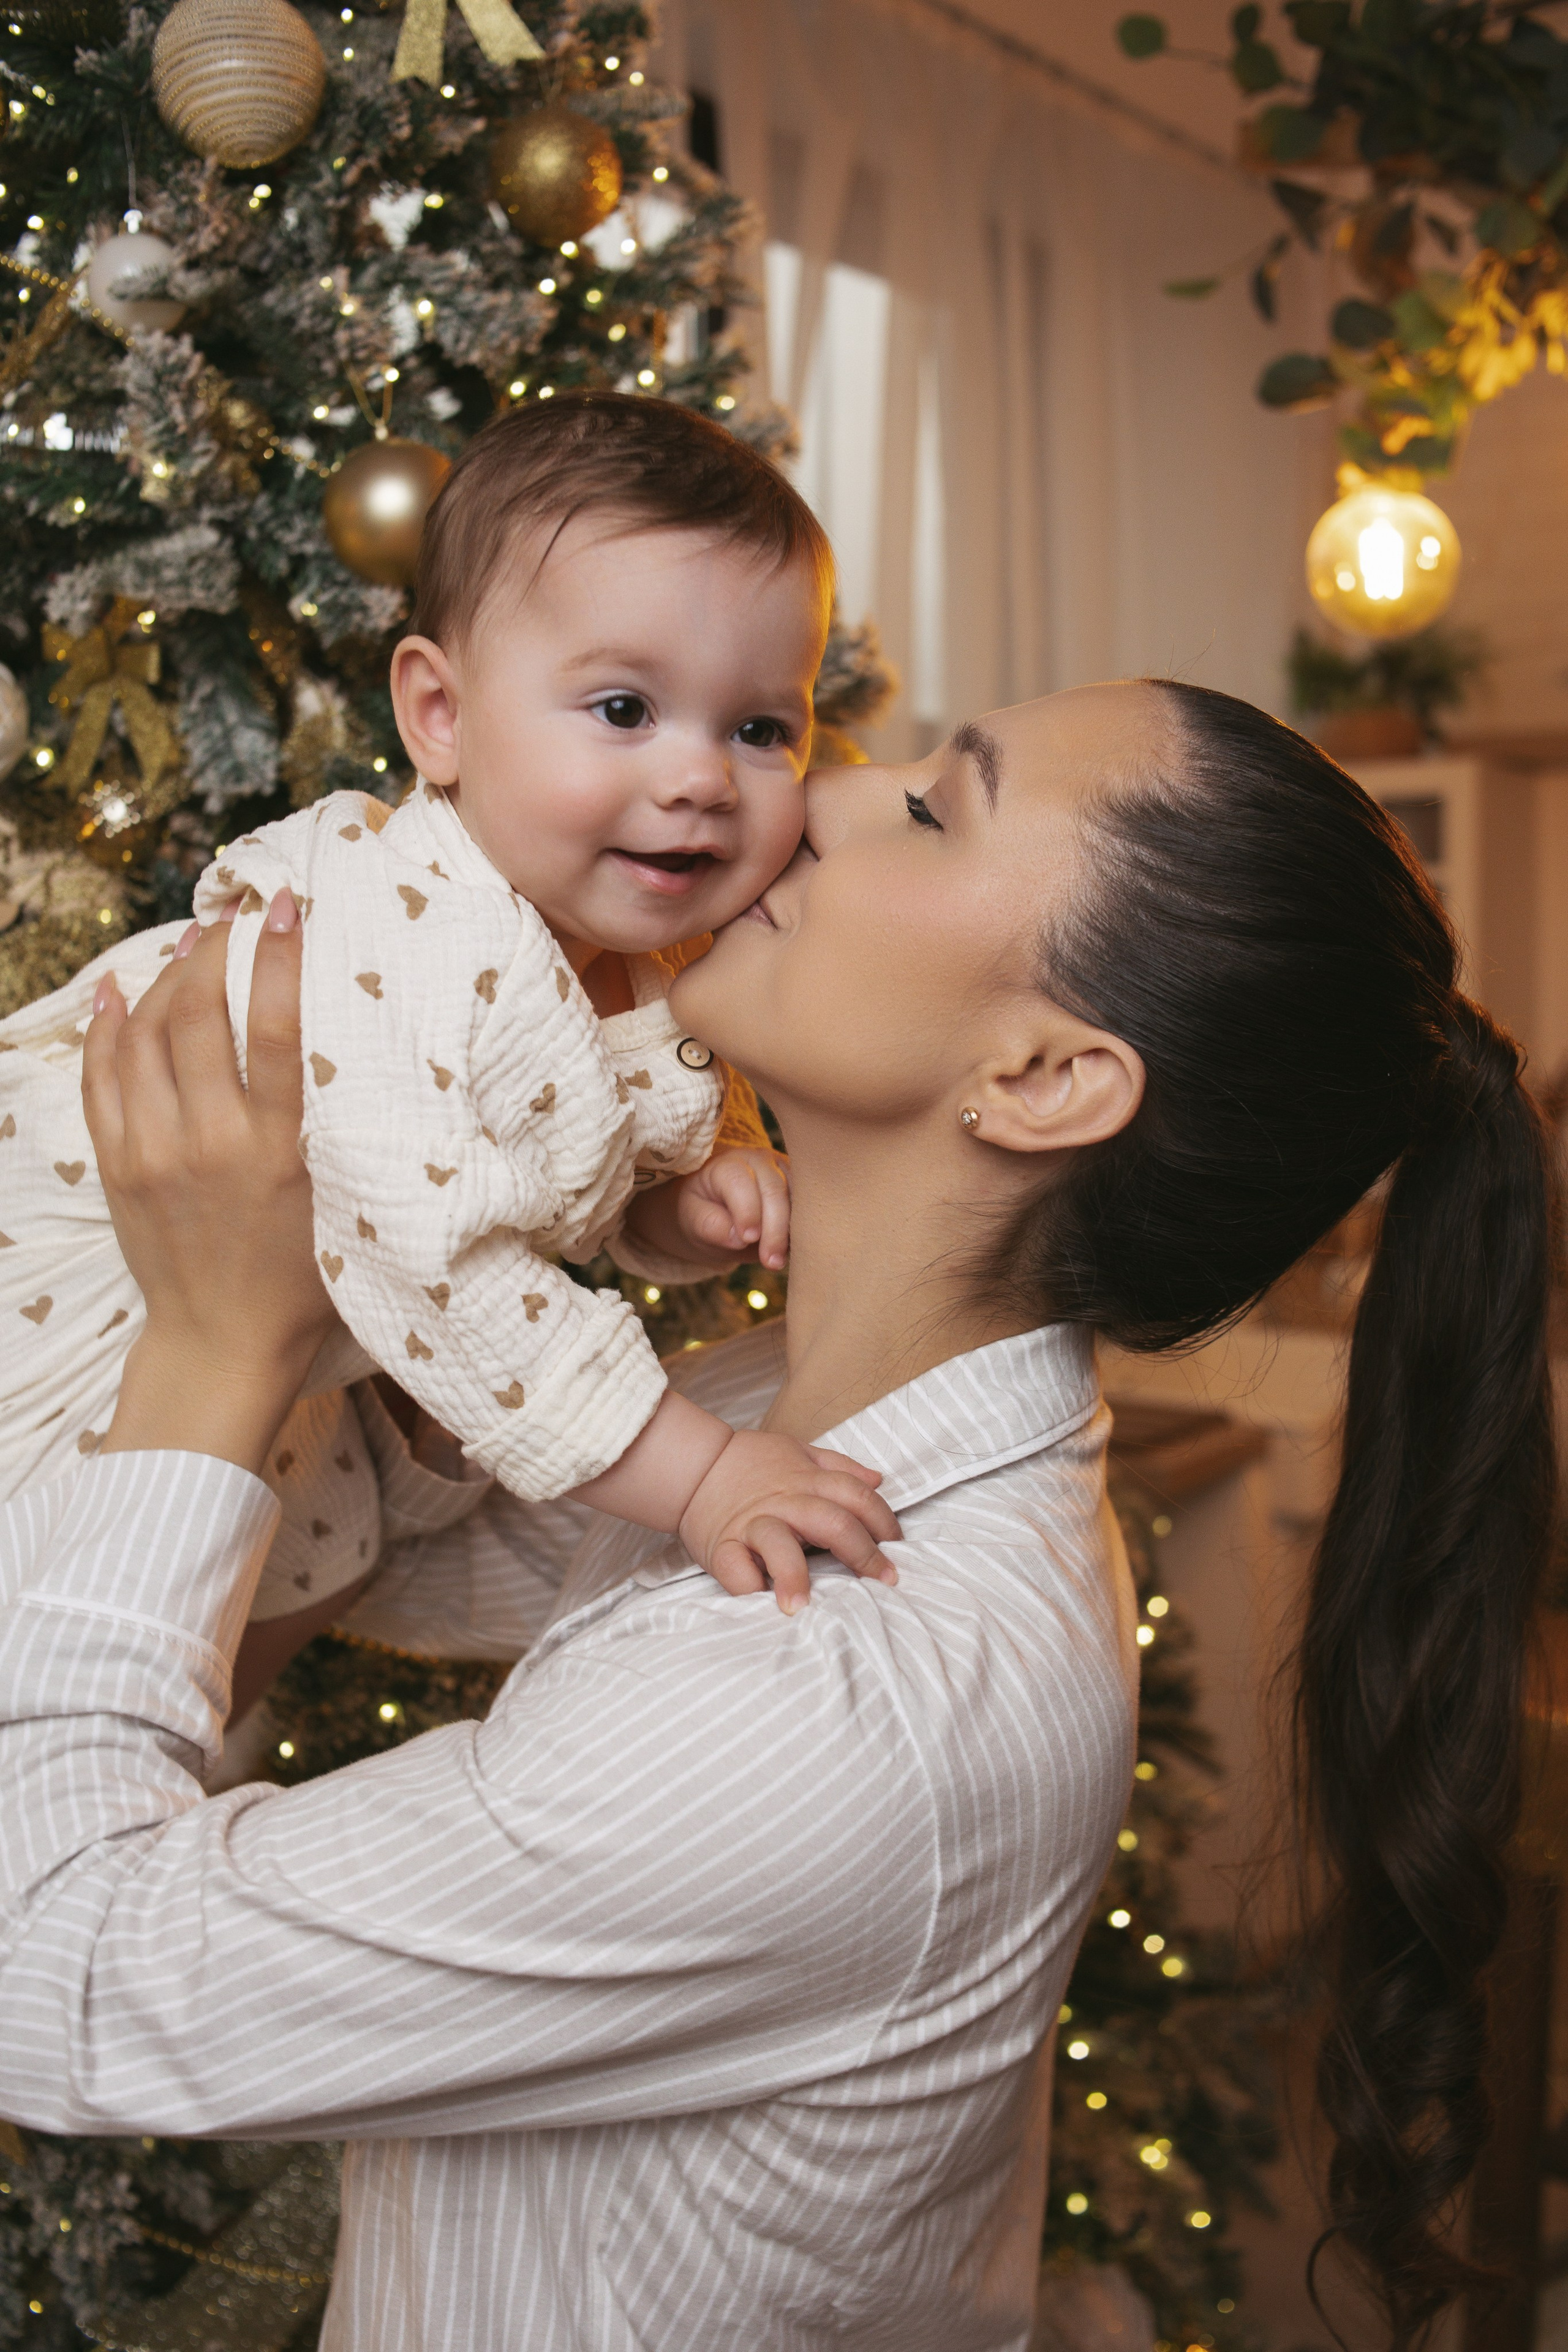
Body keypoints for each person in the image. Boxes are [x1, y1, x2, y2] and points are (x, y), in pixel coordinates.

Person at [0, 679, 1551, 2350]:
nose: (813, 791)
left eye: (937, 806)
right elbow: (391, 1562)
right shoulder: (774, 1415)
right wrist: (382, 1250)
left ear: (1041, 1079)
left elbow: (56, 1980)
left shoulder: (843, 1697)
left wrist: (219, 1342)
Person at [0, 394, 897, 1697]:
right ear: (439, 715)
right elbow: (439, 1259)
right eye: (624, 708)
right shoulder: (414, 933)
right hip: (67, 1311)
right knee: (70, 1657)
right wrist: (702, 1472)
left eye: (759, 728)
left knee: (281, 1581)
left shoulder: (648, 961)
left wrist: (686, 1200)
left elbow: (578, 1171)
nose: (701, 777)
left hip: (282, 1334)